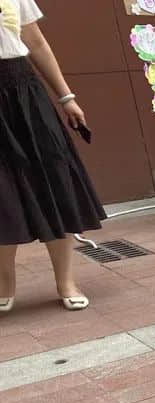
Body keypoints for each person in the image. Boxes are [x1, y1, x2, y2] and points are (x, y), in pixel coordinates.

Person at [0, 0, 105, 312]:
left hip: (23, 91)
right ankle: (4, 282)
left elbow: (35, 42)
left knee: (54, 178)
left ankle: (66, 282)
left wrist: (66, 97)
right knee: (2, 192)